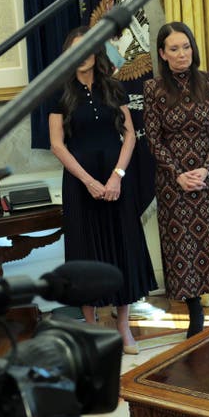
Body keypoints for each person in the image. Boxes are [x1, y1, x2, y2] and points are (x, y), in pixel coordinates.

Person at [49, 26, 156, 354]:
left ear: (97, 53)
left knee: (122, 249)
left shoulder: (113, 87)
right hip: (80, 184)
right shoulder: (59, 92)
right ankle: (93, 329)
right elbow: (57, 145)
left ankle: (123, 327)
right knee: (86, 254)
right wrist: (89, 181)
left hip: (116, 182)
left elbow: (130, 135)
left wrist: (117, 176)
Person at [144, 22, 209, 337]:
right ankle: (195, 313)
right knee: (182, 247)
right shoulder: (153, 89)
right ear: (163, 53)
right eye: (174, 49)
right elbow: (154, 139)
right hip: (174, 184)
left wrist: (206, 168)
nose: (182, 54)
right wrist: (177, 174)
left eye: (186, 47)